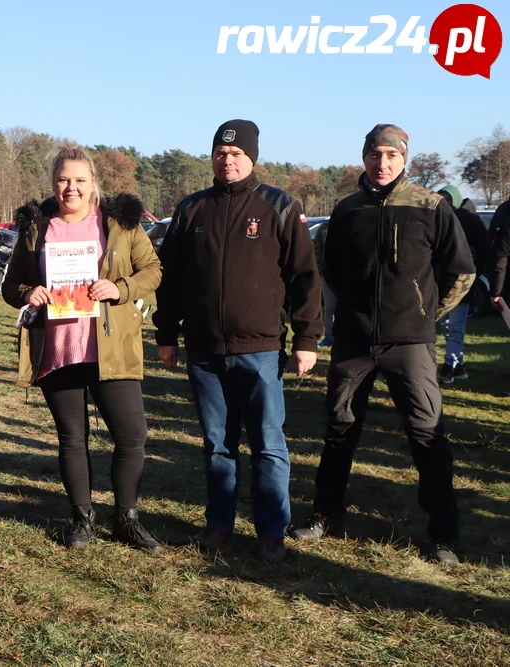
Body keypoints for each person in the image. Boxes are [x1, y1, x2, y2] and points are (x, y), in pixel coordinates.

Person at [290, 124, 475, 566]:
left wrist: (425, 314)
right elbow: (328, 268)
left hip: (410, 344)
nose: (382, 163)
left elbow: (462, 273)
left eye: (391, 155)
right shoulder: (347, 211)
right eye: (375, 154)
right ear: (364, 157)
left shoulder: (430, 207)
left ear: (404, 158)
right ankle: (326, 514)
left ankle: (444, 534)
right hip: (354, 342)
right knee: (339, 430)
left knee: (427, 435)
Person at [153, 119, 322, 563]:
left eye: (236, 154)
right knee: (217, 443)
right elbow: (169, 281)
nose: (227, 160)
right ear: (212, 157)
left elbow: (305, 278)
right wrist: (166, 335)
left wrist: (307, 338)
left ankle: (271, 531)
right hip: (204, 351)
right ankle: (219, 525)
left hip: (261, 349)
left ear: (252, 158)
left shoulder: (279, 206)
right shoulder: (191, 210)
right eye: (220, 153)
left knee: (268, 443)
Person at [3, 144, 163, 553]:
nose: (70, 188)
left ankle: (126, 518)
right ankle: (82, 518)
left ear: (94, 184)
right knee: (71, 438)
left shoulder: (120, 225)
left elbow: (153, 270)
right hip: (59, 350)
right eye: (62, 180)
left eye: (79, 180)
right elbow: (10, 286)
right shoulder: (38, 228)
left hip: (111, 348)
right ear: (53, 183)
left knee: (131, 436)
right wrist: (29, 292)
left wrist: (120, 287)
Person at [436, 185, 490, 383]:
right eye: (442, 200)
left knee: (455, 325)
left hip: (461, 280)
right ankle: (459, 368)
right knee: (447, 324)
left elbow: (485, 249)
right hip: (440, 280)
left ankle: (449, 366)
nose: (445, 204)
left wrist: (473, 272)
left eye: (448, 200)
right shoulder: (437, 219)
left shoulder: (469, 221)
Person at [313, 221, 336, 348]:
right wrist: (320, 270)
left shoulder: (351, 223)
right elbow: (316, 249)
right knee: (329, 307)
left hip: (347, 275)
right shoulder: (324, 227)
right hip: (327, 274)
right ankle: (329, 337)